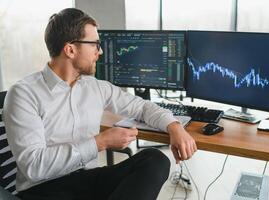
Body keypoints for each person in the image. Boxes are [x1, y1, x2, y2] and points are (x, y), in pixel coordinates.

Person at [3, 8, 197, 200]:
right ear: (70, 49)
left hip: (88, 180)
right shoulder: (24, 94)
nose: (101, 51)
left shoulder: (95, 87)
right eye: (95, 44)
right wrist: (100, 142)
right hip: (45, 188)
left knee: (155, 160)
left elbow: (142, 107)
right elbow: (34, 167)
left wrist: (174, 127)